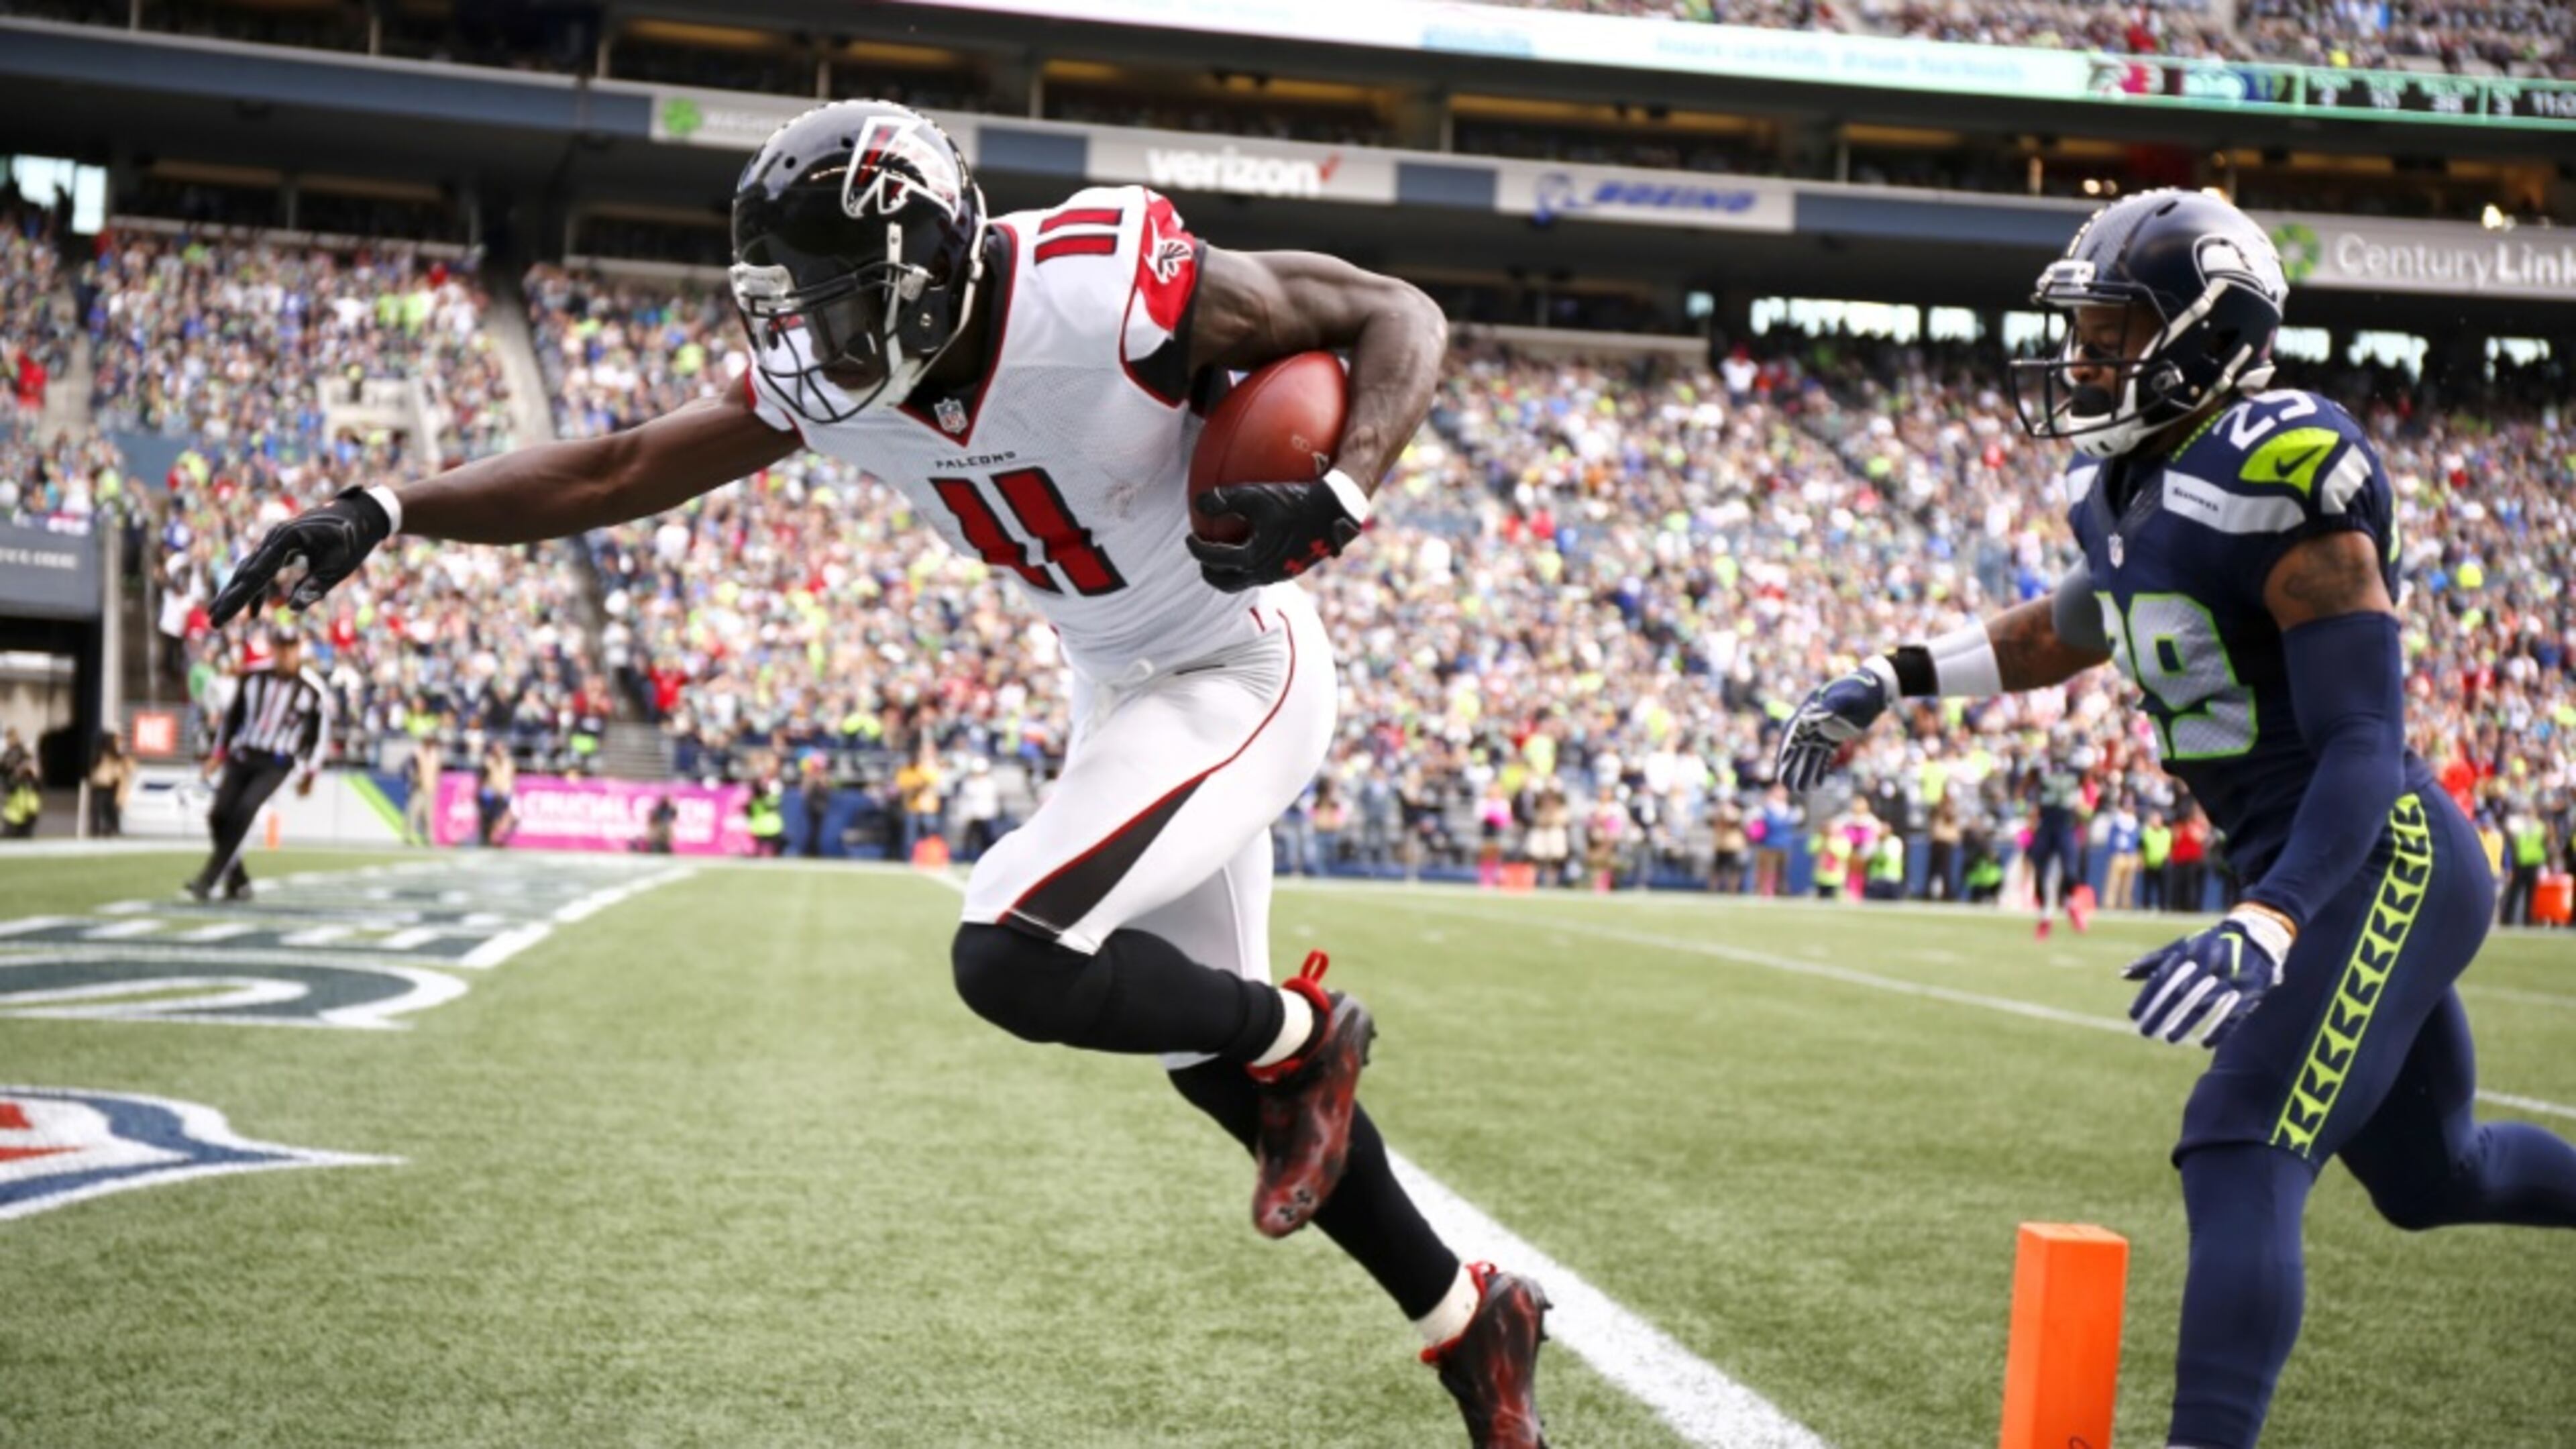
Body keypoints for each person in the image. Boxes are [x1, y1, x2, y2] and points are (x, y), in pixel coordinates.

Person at [203, 100, 1546, 1444]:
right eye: (789, 310)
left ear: (930, 269)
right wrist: (389, 507)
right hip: (1118, 684)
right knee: (1204, 1051)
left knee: (1013, 950)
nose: (807, 346)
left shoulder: (1100, 290)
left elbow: (1396, 314)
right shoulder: (830, 375)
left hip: (1239, 664)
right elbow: (613, 468)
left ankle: (1311, 1037)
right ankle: (1466, 1315)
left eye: (837, 307)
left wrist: (1350, 489)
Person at [1776, 190, 2576, 1449]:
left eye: (2112, 332)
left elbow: (2365, 741)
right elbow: (2077, 625)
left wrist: (2268, 918)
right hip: (2309, 857)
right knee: (2437, 1178)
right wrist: (1896, 674)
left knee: (2241, 1135)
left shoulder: (2282, 462)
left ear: (2208, 333)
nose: (2085, 359)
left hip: (2379, 852)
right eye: (2085, 333)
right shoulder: (2136, 483)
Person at [184, 625, 329, 901]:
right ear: (274, 648)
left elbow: (318, 735)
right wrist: (218, 754)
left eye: (291, 647)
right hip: (244, 754)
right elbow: (232, 719)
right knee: (219, 815)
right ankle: (238, 881)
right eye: (281, 647)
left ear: (298, 649)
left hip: (277, 762)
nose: (285, 653)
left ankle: (208, 879)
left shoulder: (311, 690)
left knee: (246, 808)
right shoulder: (252, 679)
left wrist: (310, 772)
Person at [88, 729, 133, 838]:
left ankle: (111, 829)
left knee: (111, 810)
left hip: (113, 785)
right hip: (102, 785)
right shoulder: (103, 755)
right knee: (99, 809)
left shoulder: (119, 756)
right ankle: (97, 831)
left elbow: (130, 768)